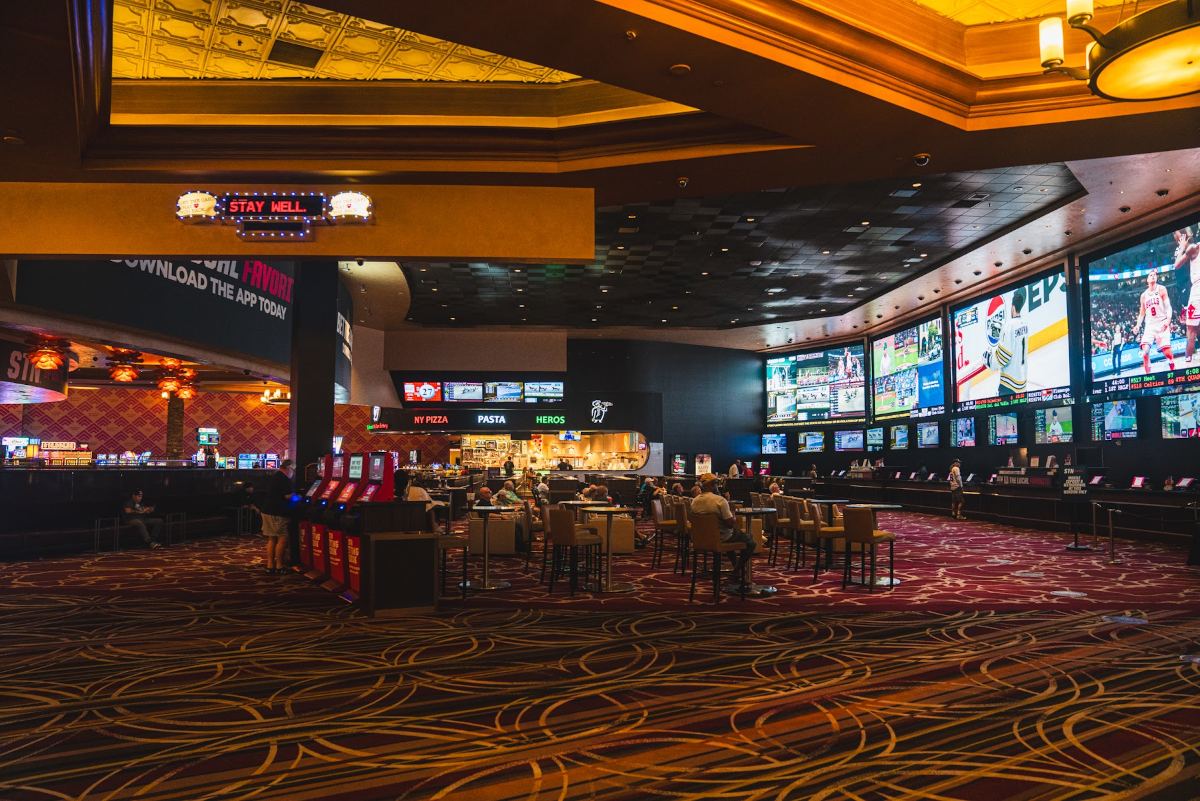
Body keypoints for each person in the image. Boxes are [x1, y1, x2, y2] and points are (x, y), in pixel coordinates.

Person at [691, 474, 755, 585]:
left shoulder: (694, 501)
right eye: (716, 484)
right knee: (750, 542)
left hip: (701, 539)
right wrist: (733, 514)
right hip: (721, 538)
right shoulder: (720, 501)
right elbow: (730, 524)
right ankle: (736, 571)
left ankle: (736, 571)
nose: (718, 486)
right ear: (712, 485)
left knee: (734, 537)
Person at [987, 286, 1030, 397]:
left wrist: (988, 359)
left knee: (1005, 415)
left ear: (1012, 307)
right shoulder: (1024, 324)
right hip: (1022, 385)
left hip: (1009, 386)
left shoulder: (1009, 326)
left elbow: (1002, 359)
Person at [259, 459, 295, 574]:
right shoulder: (284, 479)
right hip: (277, 512)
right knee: (282, 538)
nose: (293, 472)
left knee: (272, 538)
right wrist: (299, 497)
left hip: (267, 510)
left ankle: (270, 565)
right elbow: (288, 496)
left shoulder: (275, 476)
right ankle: (279, 565)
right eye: (293, 469)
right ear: (288, 468)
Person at [1136, 269, 1176, 373]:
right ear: (1147, 280)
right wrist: (1137, 325)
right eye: (1151, 275)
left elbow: (1168, 307)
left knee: (1167, 353)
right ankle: (1148, 378)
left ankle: (1171, 362)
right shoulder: (1143, 296)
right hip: (1150, 325)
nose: (1153, 276)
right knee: (1145, 352)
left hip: (1162, 323)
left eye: (1155, 275)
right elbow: (1142, 313)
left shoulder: (1162, 289)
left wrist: (1168, 321)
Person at [1175, 226, 1199, 365]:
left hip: (1197, 291)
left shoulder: (1191, 248)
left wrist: (1182, 246)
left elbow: (1177, 264)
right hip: (1193, 289)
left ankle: (1188, 363)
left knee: (1191, 331)